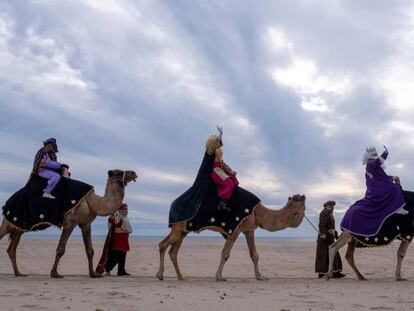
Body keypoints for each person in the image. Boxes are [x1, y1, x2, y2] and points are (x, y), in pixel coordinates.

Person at [341, 146, 407, 236]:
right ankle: (399, 208)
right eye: (375, 154)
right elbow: (378, 162)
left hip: (376, 188)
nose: (376, 155)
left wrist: (393, 177)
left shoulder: (373, 167)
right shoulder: (371, 163)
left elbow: (382, 177)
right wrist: (385, 153)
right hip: (378, 190)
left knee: (393, 187)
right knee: (395, 189)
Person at [96, 203, 132, 276]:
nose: (126, 211)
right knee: (118, 255)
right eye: (124, 209)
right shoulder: (115, 217)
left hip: (124, 239)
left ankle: (121, 271)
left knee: (123, 255)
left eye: (126, 209)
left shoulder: (125, 218)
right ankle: (107, 268)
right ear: (120, 210)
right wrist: (112, 216)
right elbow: (111, 225)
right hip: (117, 239)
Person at [315, 200, 345, 278]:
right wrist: (323, 233)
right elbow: (321, 224)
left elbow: (331, 226)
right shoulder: (324, 212)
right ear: (327, 205)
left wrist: (335, 235)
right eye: (331, 205)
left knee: (328, 254)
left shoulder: (330, 213)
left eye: (333, 205)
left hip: (330, 237)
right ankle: (331, 273)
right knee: (325, 254)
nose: (333, 207)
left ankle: (333, 272)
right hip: (324, 237)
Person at [211, 147, 239, 212]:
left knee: (232, 179)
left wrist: (231, 171)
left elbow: (225, 166)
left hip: (220, 173)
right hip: (216, 174)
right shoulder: (211, 158)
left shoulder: (220, 160)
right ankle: (222, 201)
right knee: (230, 184)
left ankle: (224, 201)